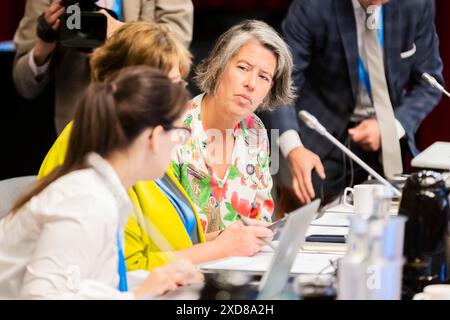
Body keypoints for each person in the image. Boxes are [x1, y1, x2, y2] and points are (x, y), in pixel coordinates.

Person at [38, 21, 274, 271]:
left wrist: (230, 239)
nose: (181, 97)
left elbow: (180, 240)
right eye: (171, 84)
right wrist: (218, 249)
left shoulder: (143, 141)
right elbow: (127, 271)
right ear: (131, 84)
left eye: (179, 84)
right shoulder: (95, 146)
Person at [0, 66, 204, 299]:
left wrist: (154, 279)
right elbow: (41, 297)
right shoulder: (88, 200)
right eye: (180, 134)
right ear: (155, 137)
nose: (180, 143)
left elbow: (89, 282)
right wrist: (137, 296)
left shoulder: (101, 191)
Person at [263, 0, 444, 206]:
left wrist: (389, 127)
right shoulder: (312, 6)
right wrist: (293, 148)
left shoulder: (416, 5)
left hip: (386, 141)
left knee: (393, 218)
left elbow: (430, 84)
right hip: (322, 137)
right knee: (314, 222)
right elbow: (281, 84)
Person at [172, 20, 296, 235]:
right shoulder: (174, 129)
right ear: (218, 66)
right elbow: (168, 237)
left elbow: (261, 217)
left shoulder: (255, 130)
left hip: (241, 265)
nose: (251, 83)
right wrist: (225, 241)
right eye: (243, 68)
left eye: (263, 77)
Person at [13, 0, 194, 133]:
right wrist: (45, 41)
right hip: (78, 126)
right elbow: (24, 84)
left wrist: (119, 37)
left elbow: (176, 48)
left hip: (148, 121)